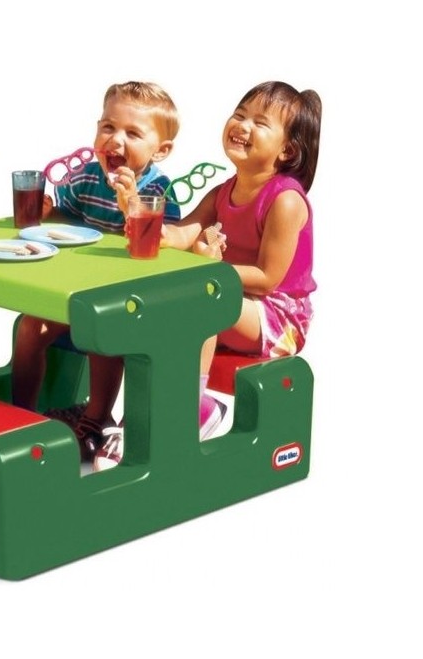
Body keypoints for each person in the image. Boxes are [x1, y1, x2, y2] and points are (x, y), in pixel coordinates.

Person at [94, 80, 321, 471]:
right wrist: (135, 208)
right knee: (158, 314)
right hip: (231, 299)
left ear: (287, 150)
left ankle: (194, 408)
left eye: (260, 123)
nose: (243, 126)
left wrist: (210, 270)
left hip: (278, 318)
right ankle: (137, 421)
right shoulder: (223, 193)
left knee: (202, 297)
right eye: (240, 115)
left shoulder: (285, 200)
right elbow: (178, 235)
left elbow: (267, 278)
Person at [11, 80, 180, 462]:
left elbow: (162, 246)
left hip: (128, 303)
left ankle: (97, 417)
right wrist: (50, 212)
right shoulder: (87, 176)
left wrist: (130, 203)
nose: (115, 140)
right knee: (30, 326)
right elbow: (67, 219)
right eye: (108, 127)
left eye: (133, 133)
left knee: (100, 332)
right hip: (76, 292)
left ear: (161, 150)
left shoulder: (158, 190)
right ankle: (19, 418)